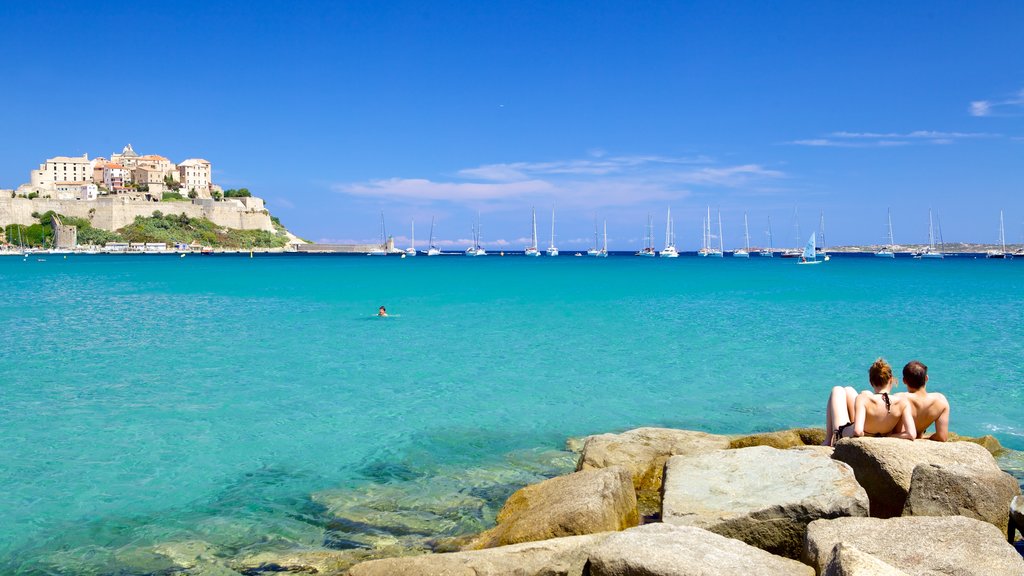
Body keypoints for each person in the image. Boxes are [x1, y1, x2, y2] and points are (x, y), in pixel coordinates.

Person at [824, 358, 917, 446]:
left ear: (871, 382)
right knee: (849, 390)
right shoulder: (903, 402)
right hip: (878, 431)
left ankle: (828, 440)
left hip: (844, 435)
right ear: (891, 379)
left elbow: (858, 431)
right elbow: (911, 434)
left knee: (837, 390)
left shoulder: (863, 399)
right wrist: (888, 436)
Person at [898, 360, 949, 441]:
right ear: (926, 378)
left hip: (902, 438)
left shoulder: (900, 398)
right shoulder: (940, 400)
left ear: (904, 381)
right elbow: (942, 437)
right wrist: (924, 438)